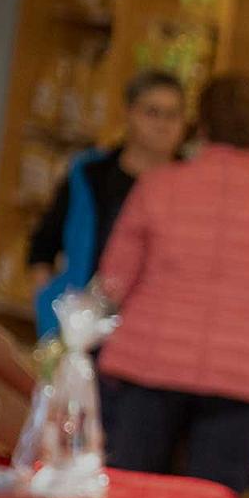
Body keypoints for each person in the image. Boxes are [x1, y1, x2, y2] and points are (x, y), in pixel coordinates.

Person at [94, 75, 249, 496]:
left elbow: (113, 283)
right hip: (244, 376)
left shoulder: (158, 186)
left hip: (149, 365)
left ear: (200, 125)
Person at [29, 70, 185, 337]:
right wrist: (48, 303)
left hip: (155, 327)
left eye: (173, 115)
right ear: (129, 113)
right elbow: (44, 243)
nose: (163, 125)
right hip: (83, 323)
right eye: (152, 112)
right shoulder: (91, 173)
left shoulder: (189, 184)